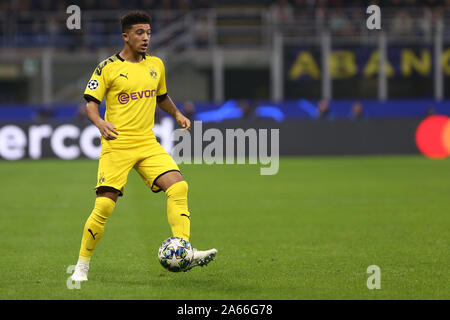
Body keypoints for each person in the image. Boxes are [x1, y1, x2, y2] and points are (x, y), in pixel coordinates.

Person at [70, 11, 217, 282]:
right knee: (104, 206)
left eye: (148, 33)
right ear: (125, 36)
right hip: (118, 144)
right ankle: (82, 265)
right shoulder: (107, 68)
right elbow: (90, 105)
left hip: (147, 142)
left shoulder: (156, 65)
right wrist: (100, 123)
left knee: (178, 186)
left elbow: (161, 96)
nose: (146, 38)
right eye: (140, 33)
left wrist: (177, 114)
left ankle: (183, 248)